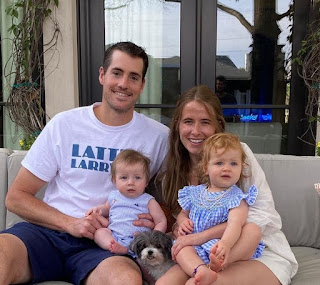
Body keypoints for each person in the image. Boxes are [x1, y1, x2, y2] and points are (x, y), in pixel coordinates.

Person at [0, 41, 169, 285]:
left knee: (126, 280)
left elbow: (179, 201)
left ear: (142, 85)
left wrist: (157, 216)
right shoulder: (65, 124)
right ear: (102, 75)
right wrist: (72, 224)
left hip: (108, 246)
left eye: (134, 77)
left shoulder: (158, 137)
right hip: (47, 235)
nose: (123, 84)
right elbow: (16, 197)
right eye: (117, 73)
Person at [155, 85, 297, 285]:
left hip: (254, 251)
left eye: (205, 122)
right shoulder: (174, 167)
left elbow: (261, 216)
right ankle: (206, 268)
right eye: (188, 122)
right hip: (201, 253)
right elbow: (184, 215)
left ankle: (216, 264)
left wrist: (201, 237)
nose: (195, 131)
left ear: (217, 125)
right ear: (178, 125)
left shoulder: (237, 156)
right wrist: (181, 226)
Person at [172, 133, 264, 285]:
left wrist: (226, 244)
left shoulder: (236, 197)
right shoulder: (194, 192)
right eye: (219, 163)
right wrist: (183, 222)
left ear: (241, 168)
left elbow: (235, 224)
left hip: (220, 246)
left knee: (253, 230)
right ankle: (200, 269)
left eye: (233, 164)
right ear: (206, 168)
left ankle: (220, 262)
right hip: (195, 245)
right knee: (180, 246)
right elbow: (182, 215)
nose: (227, 168)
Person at [85, 149, 167, 254]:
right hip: (115, 236)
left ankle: (129, 250)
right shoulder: (114, 196)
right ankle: (114, 246)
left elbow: (161, 221)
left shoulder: (148, 201)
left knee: (144, 247)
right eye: (124, 178)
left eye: (137, 178)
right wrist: (98, 210)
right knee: (100, 233)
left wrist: (153, 238)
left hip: (138, 239)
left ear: (146, 181)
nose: (131, 182)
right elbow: (106, 208)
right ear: (115, 180)